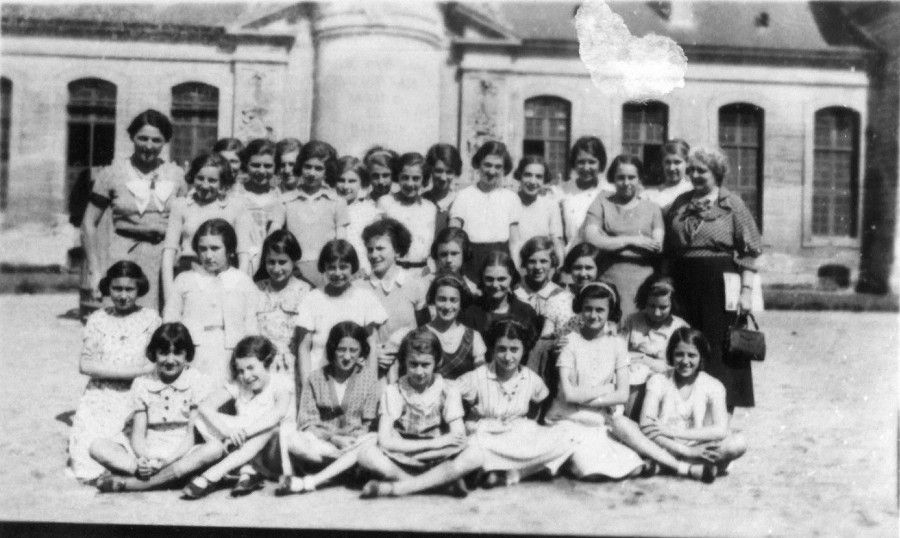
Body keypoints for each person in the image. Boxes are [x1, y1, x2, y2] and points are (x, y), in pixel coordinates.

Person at [545, 283, 715, 482]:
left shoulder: (617, 345)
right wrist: (608, 389)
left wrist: (590, 395)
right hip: (569, 419)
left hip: (600, 421)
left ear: (610, 312)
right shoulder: (570, 342)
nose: (593, 315)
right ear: (580, 309)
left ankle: (683, 468)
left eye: (600, 310)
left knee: (630, 462)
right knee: (591, 471)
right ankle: (678, 466)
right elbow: (569, 395)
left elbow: (622, 395)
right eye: (588, 309)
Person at [665, 146, 762, 411]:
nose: (695, 175)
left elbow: (750, 250)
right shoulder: (680, 204)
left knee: (719, 349)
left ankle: (722, 416)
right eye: (692, 169)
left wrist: (745, 291)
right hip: (684, 284)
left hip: (719, 284)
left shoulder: (732, 204)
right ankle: (687, 412)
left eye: (702, 170)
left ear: (716, 173)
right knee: (686, 344)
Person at [91, 323, 216, 492]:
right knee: (97, 446)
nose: (170, 360)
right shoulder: (143, 383)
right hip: (148, 450)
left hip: (181, 451)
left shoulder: (197, 381)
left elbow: (190, 436)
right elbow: (138, 435)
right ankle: (165, 477)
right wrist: (142, 461)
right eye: (163, 353)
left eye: (177, 353)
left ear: (187, 354)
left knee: (214, 449)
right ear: (154, 353)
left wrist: (168, 461)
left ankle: (135, 484)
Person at [82, 109, 186, 311]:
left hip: (165, 259)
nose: (149, 146)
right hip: (124, 256)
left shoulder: (176, 175)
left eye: (156, 140)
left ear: (165, 142)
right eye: (143, 138)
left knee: (163, 322)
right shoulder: (112, 174)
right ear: (132, 137)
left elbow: (186, 220)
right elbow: (88, 223)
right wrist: (94, 270)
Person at [357, 327, 480, 498]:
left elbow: (458, 439)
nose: (419, 372)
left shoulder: (448, 389)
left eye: (425, 365)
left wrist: (435, 449)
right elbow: (385, 441)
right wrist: (434, 444)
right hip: (403, 457)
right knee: (366, 454)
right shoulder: (394, 391)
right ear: (404, 362)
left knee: (475, 454)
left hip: (437, 458)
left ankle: (399, 488)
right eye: (413, 364)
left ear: (437, 363)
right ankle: (437, 484)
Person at [68, 261, 161, 483]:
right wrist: (135, 370)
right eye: (116, 289)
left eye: (129, 289)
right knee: (87, 452)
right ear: (108, 288)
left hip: (136, 395)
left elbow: (154, 365)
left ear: (139, 289)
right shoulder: (98, 318)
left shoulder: (151, 319)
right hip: (101, 395)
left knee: (136, 445)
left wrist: (113, 371)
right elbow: (86, 365)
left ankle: (133, 469)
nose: (122, 295)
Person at [457, 319, 573, 488]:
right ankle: (502, 470)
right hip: (487, 435)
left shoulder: (531, 379)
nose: (508, 357)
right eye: (501, 349)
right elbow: (452, 393)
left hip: (517, 436)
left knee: (565, 439)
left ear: (523, 350)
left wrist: (528, 429)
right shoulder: (477, 377)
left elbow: (536, 409)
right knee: (474, 446)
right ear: (493, 349)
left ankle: (511, 473)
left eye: (514, 350)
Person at [276, 322, 381, 495]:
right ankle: (345, 469)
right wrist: (334, 438)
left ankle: (324, 475)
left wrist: (351, 440)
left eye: (353, 350)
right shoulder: (315, 378)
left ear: (361, 351)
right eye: (341, 350)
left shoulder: (368, 379)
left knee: (373, 439)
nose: (347, 357)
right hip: (324, 446)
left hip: (353, 445)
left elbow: (368, 424)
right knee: (293, 440)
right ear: (332, 349)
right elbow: (307, 423)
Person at [182, 336, 293, 499]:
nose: (246, 376)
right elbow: (205, 406)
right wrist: (228, 432)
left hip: (274, 454)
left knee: (271, 427)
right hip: (244, 448)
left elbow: (278, 413)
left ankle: (213, 474)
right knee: (199, 418)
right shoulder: (239, 384)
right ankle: (247, 472)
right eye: (241, 370)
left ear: (266, 363)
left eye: (251, 367)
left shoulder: (280, 383)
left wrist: (244, 432)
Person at [640, 328, 747, 475]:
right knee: (621, 423)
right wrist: (687, 451)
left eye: (692, 355)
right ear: (671, 354)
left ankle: (666, 465)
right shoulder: (658, 380)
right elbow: (646, 425)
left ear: (701, 356)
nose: (685, 361)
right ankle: (690, 466)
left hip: (699, 447)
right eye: (679, 354)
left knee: (739, 442)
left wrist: (675, 432)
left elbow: (720, 430)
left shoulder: (713, 385)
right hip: (665, 445)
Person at [163, 219, 258, 384]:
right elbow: (170, 322)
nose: (208, 255)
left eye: (215, 248)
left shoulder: (242, 281)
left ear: (229, 250)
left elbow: (251, 324)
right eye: (202, 249)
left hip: (232, 354)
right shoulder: (185, 280)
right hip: (194, 355)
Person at [294, 240, 388, 387]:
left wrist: (369, 386)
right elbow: (304, 347)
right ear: (324, 268)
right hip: (321, 381)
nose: (337, 273)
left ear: (353, 267)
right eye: (331, 268)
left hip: (356, 381)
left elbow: (372, 345)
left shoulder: (365, 298)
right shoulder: (312, 298)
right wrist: (307, 388)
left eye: (343, 267)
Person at [582, 154, 664, 319]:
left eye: (631, 177)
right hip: (609, 278)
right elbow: (591, 238)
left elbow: (656, 245)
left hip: (643, 282)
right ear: (613, 178)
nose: (626, 183)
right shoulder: (602, 202)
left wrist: (610, 240)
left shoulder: (652, 208)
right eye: (621, 177)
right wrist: (633, 240)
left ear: (639, 178)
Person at [162, 152, 245, 304]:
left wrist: (239, 289)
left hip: (223, 276)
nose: (205, 185)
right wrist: (170, 295)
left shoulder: (235, 207)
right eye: (200, 178)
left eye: (212, 180)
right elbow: (169, 251)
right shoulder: (181, 205)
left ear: (222, 183)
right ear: (193, 177)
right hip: (188, 272)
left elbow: (243, 253)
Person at [448, 140, 522, 282]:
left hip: (500, 261)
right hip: (471, 262)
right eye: (487, 165)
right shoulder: (464, 196)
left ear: (504, 169)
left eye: (498, 166)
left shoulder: (511, 198)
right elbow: (453, 237)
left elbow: (514, 242)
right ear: (478, 165)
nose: (492, 171)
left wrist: (516, 272)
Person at [357, 218, 429, 364]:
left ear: (397, 251)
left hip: (409, 365)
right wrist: (370, 354)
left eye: (380, 248)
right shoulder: (359, 288)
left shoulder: (414, 285)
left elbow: (424, 328)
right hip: (369, 365)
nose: (374, 255)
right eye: (370, 250)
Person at [283, 140, 349, 288]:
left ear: (327, 171)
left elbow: (341, 242)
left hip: (326, 270)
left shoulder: (337, 202)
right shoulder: (285, 201)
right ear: (300, 166)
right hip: (294, 271)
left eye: (318, 168)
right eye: (308, 167)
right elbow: (275, 237)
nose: (312, 173)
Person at [621, 276, 689, 420]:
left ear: (673, 304)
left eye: (663, 307)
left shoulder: (680, 326)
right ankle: (630, 418)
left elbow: (680, 363)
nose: (657, 312)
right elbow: (620, 351)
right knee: (635, 373)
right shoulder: (633, 320)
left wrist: (643, 359)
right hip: (633, 375)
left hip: (664, 376)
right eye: (651, 306)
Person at [253, 230, 312, 377]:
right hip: (261, 366)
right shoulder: (256, 289)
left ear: (293, 260)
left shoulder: (305, 292)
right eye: (271, 262)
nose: (276, 269)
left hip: (293, 368)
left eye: (282, 262)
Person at [459, 250, 541, 341]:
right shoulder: (471, 313)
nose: (495, 285)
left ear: (512, 278)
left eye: (501, 279)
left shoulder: (526, 313)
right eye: (489, 279)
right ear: (482, 278)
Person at [234, 139, 287, 276]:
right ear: (246, 165)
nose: (261, 171)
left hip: (269, 264)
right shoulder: (236, 194)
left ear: (275, 167)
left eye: (268, 166)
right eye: (256, 165)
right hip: (240, 261)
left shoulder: (279, 196)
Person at [377, 152, 438, 269]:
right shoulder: (386, 203)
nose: (410, 184)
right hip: (394, 269)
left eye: (416, 178)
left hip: (422, 271)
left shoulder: (429, 208)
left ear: (423, 179)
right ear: (398, 177)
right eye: (405, 177)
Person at [424, 273, 486, 381]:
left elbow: (481, 380)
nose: (447, 306)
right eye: (442, 299)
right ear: (433, 300)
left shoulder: (472, 337)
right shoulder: (422, 334)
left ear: (461, 302)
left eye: (453, 300)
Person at [514, 236, 572, 339]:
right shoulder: (515, 293)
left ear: (552, 262)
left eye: (543, 261)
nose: (537, 267)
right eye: (532, 261)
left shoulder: (561, 296)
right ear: (525, 263)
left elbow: (564, 332)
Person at [511, 156, 565, 266]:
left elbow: (557, 242)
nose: (533, 181)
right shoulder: (509, 202)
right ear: (519, 176)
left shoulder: (550, 205)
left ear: (544, 180)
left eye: (538, 177)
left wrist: (559, 266)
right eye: (528, 175)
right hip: (514, 265)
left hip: (540, 267)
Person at [560, 136, 611, 251]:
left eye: (592, 162)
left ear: (600, 163)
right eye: (581, 162)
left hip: (602, 255)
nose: (586, 168)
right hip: (571, 254)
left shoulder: (610, 192)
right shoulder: (562, 191)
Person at [333, 155, 382, 275]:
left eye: (352, 181)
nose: (345, 186)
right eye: (341, 180)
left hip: (362, 269)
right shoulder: (329, 207)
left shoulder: (370, 212)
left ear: (361, 183)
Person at [422, 227, 480, 297]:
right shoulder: (426, 284)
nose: (448, 260)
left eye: (454, 254)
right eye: (443, 254)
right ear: (437, 255)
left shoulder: (472, 289)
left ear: (464, 254)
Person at [643, 139, 693, 214]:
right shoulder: (650, 195)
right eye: (667, 162)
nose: (671, 168)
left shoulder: (693, 190)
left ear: (687, 162)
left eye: (677, 162)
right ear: (662, 163)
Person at [423, 143, 462, 235]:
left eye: (449, 172)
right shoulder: (422, 200)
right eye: (438, 171)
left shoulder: (460, 201)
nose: (443, 178)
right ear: (430, 170)